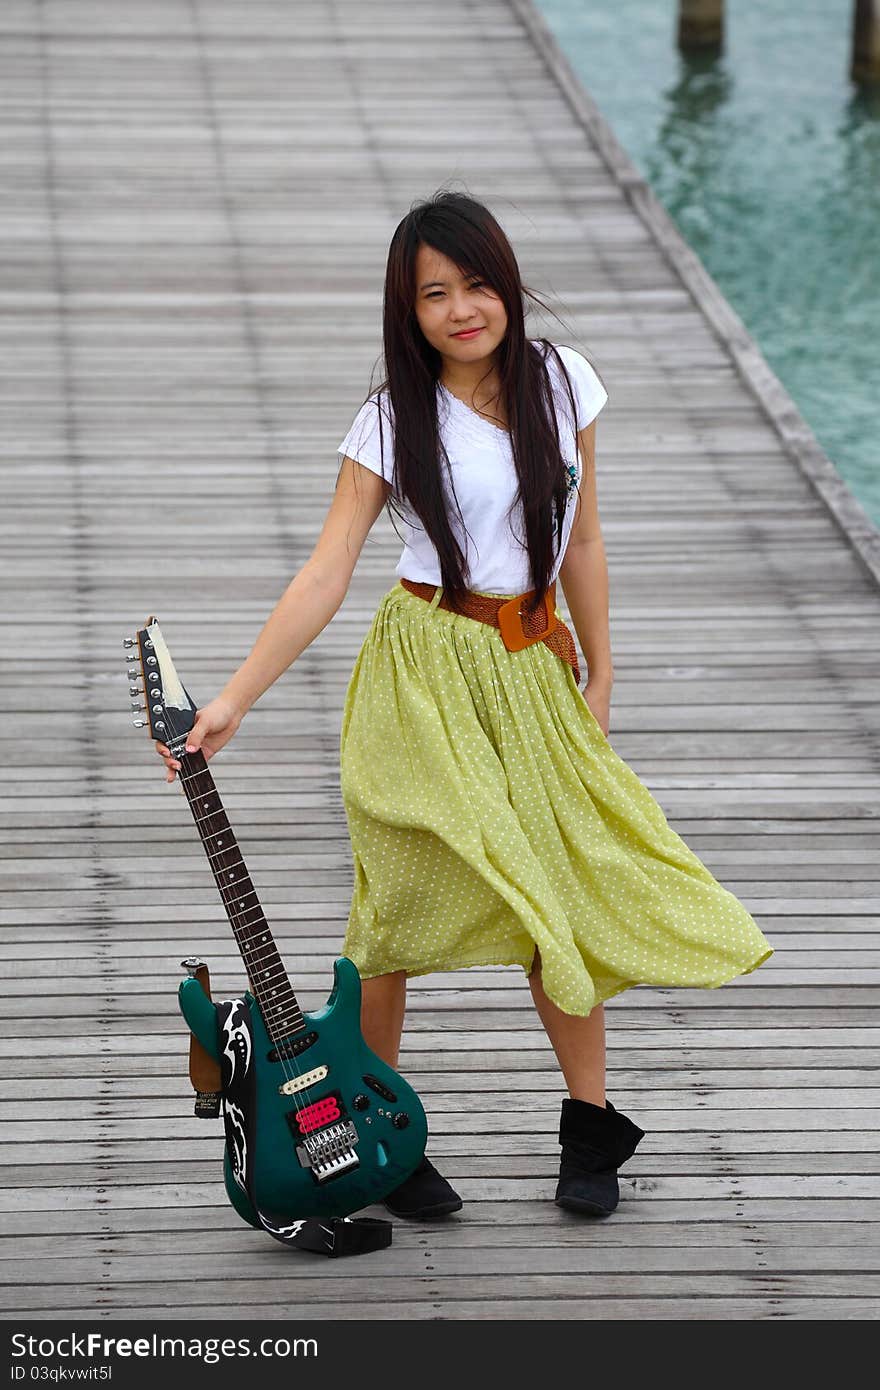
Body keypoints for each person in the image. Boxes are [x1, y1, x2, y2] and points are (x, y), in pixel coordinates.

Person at [156, 189, 773, 1223]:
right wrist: (231, 700)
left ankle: (590, 1125)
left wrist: (601, 670)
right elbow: (325, 572)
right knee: (394, 910)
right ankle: (375, 1127)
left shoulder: (561, 380)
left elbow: (581, 536)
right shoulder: (394, 419)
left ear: (506, 283)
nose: (460, 308)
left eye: (475, 283)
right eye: (433, 293)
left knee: (552, 902)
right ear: (409, 311)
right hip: (423, 671)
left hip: (532, 668)